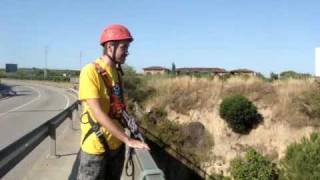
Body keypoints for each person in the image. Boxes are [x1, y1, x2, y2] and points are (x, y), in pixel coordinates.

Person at [77, 24, 149, 180]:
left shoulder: (117, 73)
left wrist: (133, 129)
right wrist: (128, 139)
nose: (127, 52)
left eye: (127, 47)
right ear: (110, 47)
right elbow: (98, 113)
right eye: (124, 47)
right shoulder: (90, 72)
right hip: (96, 148)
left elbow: (120, 108)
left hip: (116, 147)